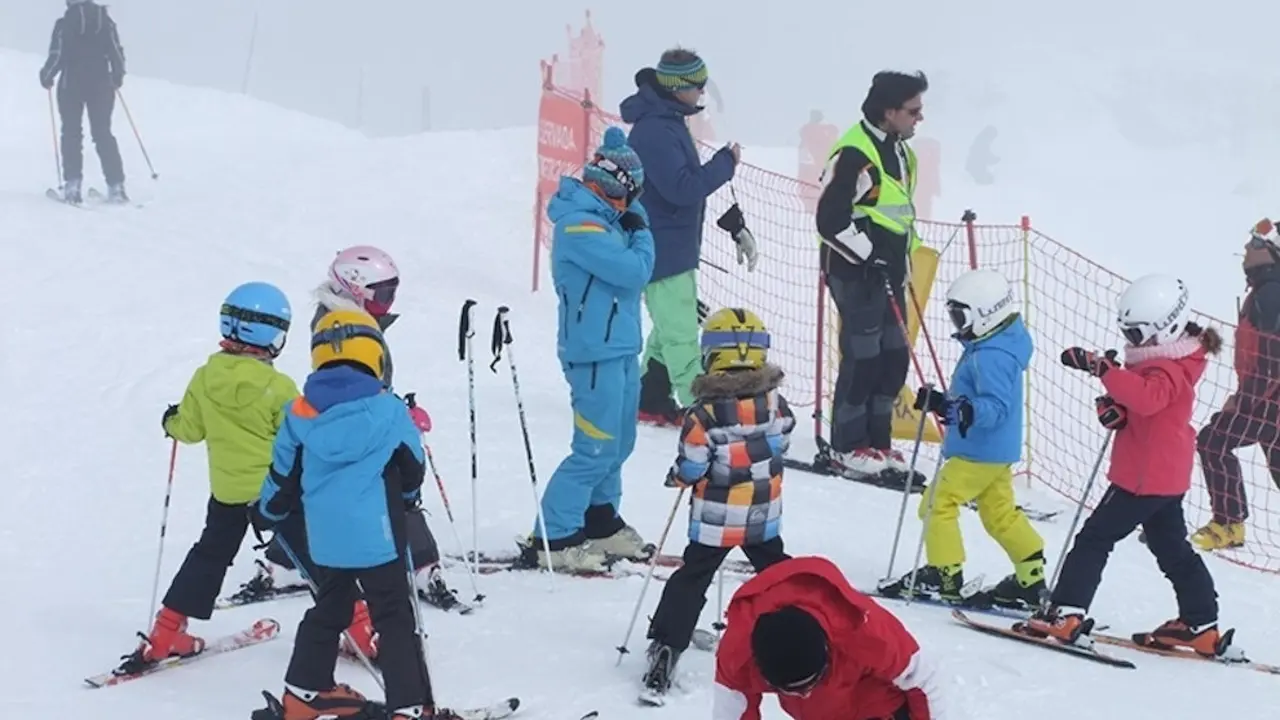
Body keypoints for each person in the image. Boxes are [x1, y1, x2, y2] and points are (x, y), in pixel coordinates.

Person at [237, 246, 462, 618]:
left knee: (330, 491)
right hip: (357, 426)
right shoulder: (342, 323)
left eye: (393, 292)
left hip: (360, 420)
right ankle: (420, 565)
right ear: (358, 289)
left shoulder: (348, 316)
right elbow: (351, 387)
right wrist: (394, 417)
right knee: (384, 487)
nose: (389, 302)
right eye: (384, 293)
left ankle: (287, 562)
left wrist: (395, 410)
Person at [1026, 275, 1240, 659]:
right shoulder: (1172, 359)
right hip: (1165, 477)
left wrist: (1101, 368)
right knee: (1171, 547)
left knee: (1094, 539)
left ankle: (1067, 611)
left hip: (1142, 478)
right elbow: (1144, 408)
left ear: (1166, 327)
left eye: (1138, 333)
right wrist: (1116, 411)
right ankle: (1200, 623)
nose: (1132, 341)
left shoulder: (1167, 369)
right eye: (1128, 332)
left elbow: (1148, 398)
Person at [254, 308, 432, 720]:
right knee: (393, 615)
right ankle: (408, 706)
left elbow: (282, 476)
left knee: (331, 606)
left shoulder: (299, 413)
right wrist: (406, 496)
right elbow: (412, 467)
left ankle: (303, 691)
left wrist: (266, 510)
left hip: (327, 538)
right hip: (379, 537)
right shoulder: (388, 410)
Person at [119, 282, 298, 670]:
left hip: (229, 492)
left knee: (210, 555)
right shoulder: (278, 387)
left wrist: (171, 420)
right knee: (319, 556)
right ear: (274, 335)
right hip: (276, 491)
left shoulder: (206, 376)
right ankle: (359, 627)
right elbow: (297, 439)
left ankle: (166, 633)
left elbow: (189, 430)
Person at [641, 307, 796, 700]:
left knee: (693, 576)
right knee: (776, 573)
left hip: (716, 519)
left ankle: (665, 647)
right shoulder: (776, 404)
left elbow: (694, 463)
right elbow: (784, 440)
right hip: (762, 514)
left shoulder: (704, 413)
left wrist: (679, 477)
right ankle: (807, 620)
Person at [521, 126, 654, 573]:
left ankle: (601, 522)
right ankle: (554, 535)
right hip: (592, 352)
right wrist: (642, 229)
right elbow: (634, 271)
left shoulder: (607, 219)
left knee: (620, 444)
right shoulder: (580, 225)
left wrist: (632, 222)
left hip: (619, 347)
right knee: (593, 447)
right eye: (628, 195)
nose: (630, 205)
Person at [879, 269, 1045, 609]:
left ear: (986, 312)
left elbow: (995, 406)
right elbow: (976, 399)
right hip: (994, 449)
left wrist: (967, 412)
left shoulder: (992, 355)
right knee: (999, 513)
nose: (956, 322)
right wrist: (943, 403)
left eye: (961, 314)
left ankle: (945, 574)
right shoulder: (994, 344)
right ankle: (1031, 576)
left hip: (978, 451)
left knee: (937, 503)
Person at [619, 47, 750, 427]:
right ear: (678, 88)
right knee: (679, 335)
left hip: (674, 244)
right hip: (663, 248)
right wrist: (725, 164)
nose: (701, 94)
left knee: (669, 328)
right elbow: (682, 188)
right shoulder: (656, 130)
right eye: (697, 86)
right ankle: (705, 412)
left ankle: (650, 398)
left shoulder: (667, 121)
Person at [814, 71, 929, 484]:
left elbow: (895, 215)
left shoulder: (901, 151)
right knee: (862, 358)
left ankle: (877, 442)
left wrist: (902, 262)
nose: (920, 118)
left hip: (891, 274)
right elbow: (830, 220)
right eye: (913, 111)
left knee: (893, 357)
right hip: (856, 274)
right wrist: (869, 255)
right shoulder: (854, 153)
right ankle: (847, 445)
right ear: (889, 111)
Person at [713, 556, 948, 720]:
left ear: (827, 649)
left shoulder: (865, 632)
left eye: (811, 682)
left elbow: (924, 679)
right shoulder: (737, 655)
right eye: (792, 690)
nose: (806, 694)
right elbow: (732, 713)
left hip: (878, 708)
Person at [1193, 218, 1280, 551]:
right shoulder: (1266, 288)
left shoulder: (1271, 293)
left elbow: (1271, 364)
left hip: (1267, 400)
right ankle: (1230, 525)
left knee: (1212, 442)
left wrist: (1242, 402)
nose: (1245, 249)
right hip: (1268, 399)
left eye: (1254, 245)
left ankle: (1229, 525)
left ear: (1269, 253)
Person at [39, 0, 128, 205]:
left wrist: (47, 75)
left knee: (71, 132)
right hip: (101, 84)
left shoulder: (65, 23)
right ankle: (116, 187)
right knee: (103, 133)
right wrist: (117, 75)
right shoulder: (105, 20)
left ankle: (73, 186)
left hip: (71, 84)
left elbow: (58, 54)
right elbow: (116, 50)